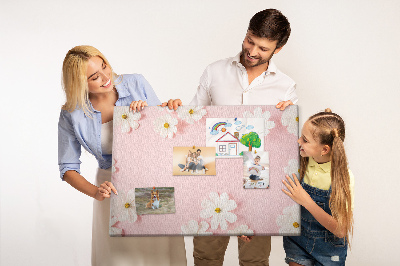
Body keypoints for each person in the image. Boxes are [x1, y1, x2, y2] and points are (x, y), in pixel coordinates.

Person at [58, 45, 186, 266]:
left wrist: (161, 111)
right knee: (121, 259)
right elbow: (68, 167)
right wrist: (96, 192)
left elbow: (166, 136)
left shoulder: (135, 83)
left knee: (160, 254)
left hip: (153, 181)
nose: (106, 77)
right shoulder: (72, 113)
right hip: (113, 191)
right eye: (94, 77)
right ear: (79, 84)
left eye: (104, 66)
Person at [282, 109, 354, 265]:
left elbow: (340, 230)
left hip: (329, 250)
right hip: (297, 242)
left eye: (305, 140)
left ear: (324, 149)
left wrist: (306, 201)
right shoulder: (301, 159)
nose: (299, 141)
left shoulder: (342, 178)